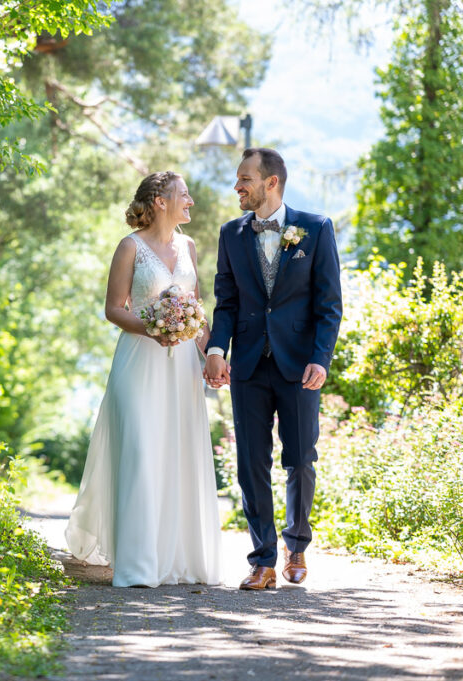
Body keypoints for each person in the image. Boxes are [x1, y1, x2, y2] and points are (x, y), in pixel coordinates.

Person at [65, 171, 221, 588]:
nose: (190, 201)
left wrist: (212, 354)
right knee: (140, 450)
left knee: (177, 452)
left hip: (182, 367)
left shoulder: (188, 246)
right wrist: (153, 327)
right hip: (138, 362)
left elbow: (197, 309)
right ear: (159, 201)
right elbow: (114, 309)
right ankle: (137, 564)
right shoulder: (129, 246)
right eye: (183, 194)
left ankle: (180, 560)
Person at [205, 148, 342, 590]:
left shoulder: (316, 229)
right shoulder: (231, 234)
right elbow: (226, 302)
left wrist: (321, 357)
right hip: (246, 363)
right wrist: (215, 349)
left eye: (244, 178)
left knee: (300, 460)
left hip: (300, 365)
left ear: (271, 183)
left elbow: (329, 305)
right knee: (251, 464)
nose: (237, 186)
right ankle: (262, 559)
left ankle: (296, 546)